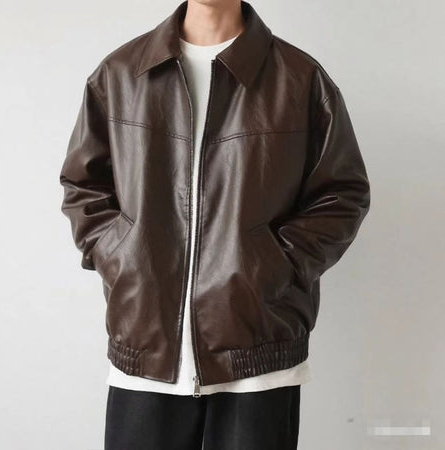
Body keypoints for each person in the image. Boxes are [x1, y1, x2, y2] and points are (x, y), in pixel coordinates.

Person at [59, 0, 371, 449]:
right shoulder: (121, 74)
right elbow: (83, 186)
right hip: (145, 347)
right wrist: (123, 258)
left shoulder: (301, 79)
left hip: (257, 350)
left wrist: (273, 266)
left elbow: (342, 194)